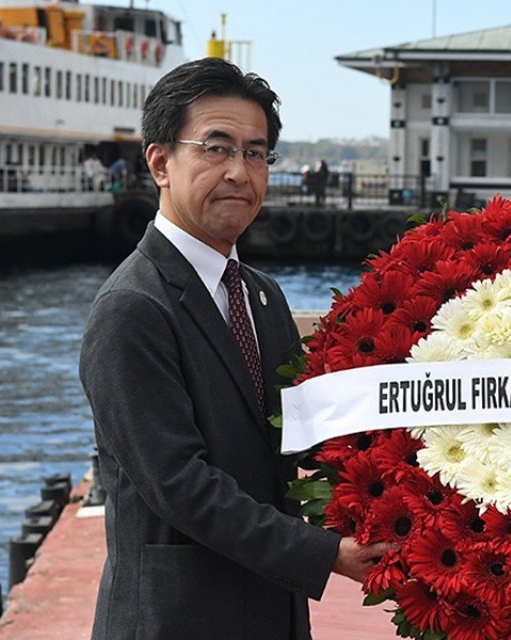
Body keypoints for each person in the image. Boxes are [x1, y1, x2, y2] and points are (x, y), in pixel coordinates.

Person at [79, 57, 389, 639]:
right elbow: (180, 485)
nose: (239, 173)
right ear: (160, 162)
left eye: (256, 152)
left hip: (271, 613)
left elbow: (300, 432)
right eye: (216, 148)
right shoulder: (132, 309)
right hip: (178, 620)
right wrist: (326, 554)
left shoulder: (261, 296)